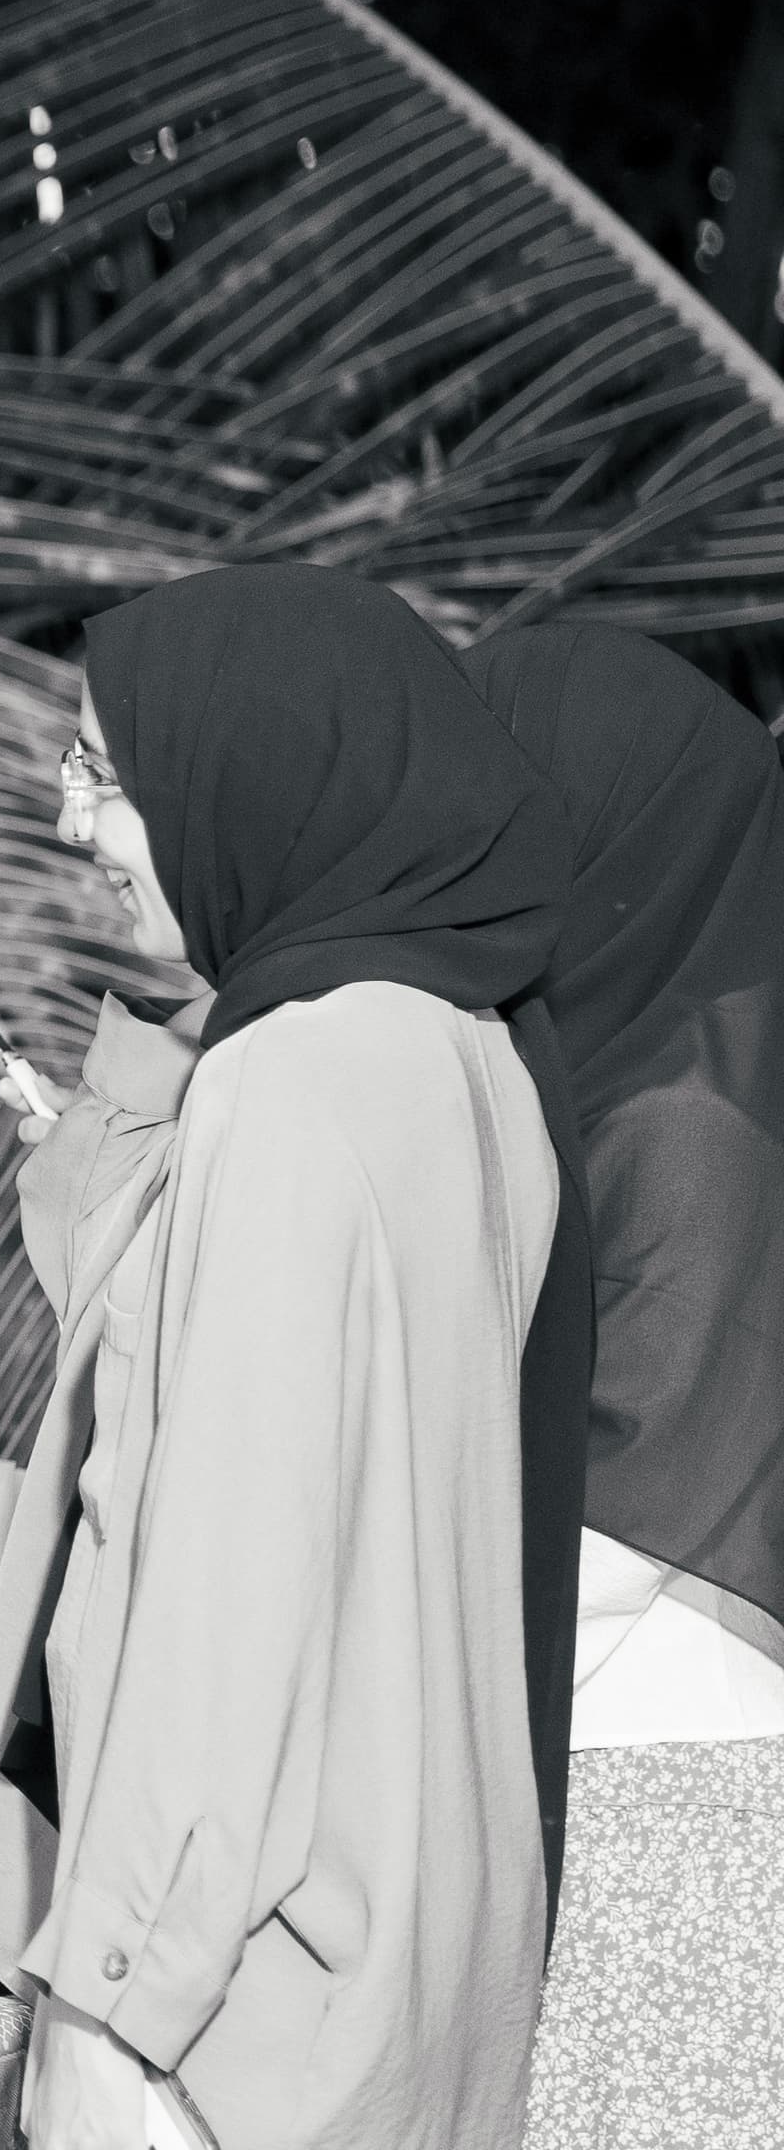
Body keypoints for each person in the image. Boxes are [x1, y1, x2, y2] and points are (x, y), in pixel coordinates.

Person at [0, 563, 588, 2150]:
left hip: (242, 2008)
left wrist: (108, 2000)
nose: (71, 820)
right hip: (419, 1965)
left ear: (247, 767)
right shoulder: (474, 1056)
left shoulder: (287, 1090)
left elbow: (229, 1601)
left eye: (108, 773)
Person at [449, 624, 784, 2149]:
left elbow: (617, 1531)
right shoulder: (570, 1085)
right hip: (573, 1762)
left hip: (670, 1796)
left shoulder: (692, 1132)